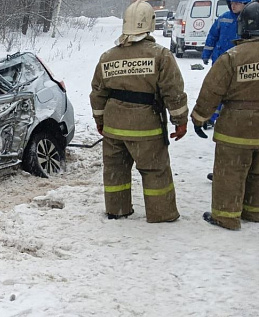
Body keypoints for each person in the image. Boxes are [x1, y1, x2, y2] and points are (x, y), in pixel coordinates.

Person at [90, 0, 188, 223]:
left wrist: (100, 120)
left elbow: (97, 93)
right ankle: (161, 213)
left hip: (114, 128)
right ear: (150, 24)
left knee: (115, 172)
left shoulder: (108, 57)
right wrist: (179, 120)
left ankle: (117, 209)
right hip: (147, 128)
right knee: (155, 172)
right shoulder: (161, 56)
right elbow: (173, 92)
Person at [191, 1, 259, 230]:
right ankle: (254, 211)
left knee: (230, 172)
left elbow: (212, 91)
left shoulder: (232, 57)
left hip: (236, 128)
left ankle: (226, 217)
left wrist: (199, 118)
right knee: (257, 173)